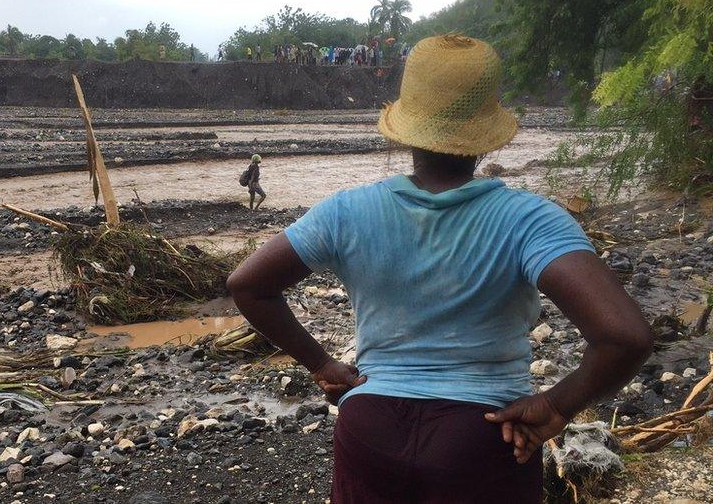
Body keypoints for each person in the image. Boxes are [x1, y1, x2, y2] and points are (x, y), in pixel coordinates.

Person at [226, 34, 652, 503]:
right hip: (483, 437)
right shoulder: (529, 219)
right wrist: (556, 406)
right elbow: (624, 337)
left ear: (406, 127)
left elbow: (248, 285)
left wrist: (322, 363)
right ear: (485, 132)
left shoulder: (345, 211)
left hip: (368, 425)